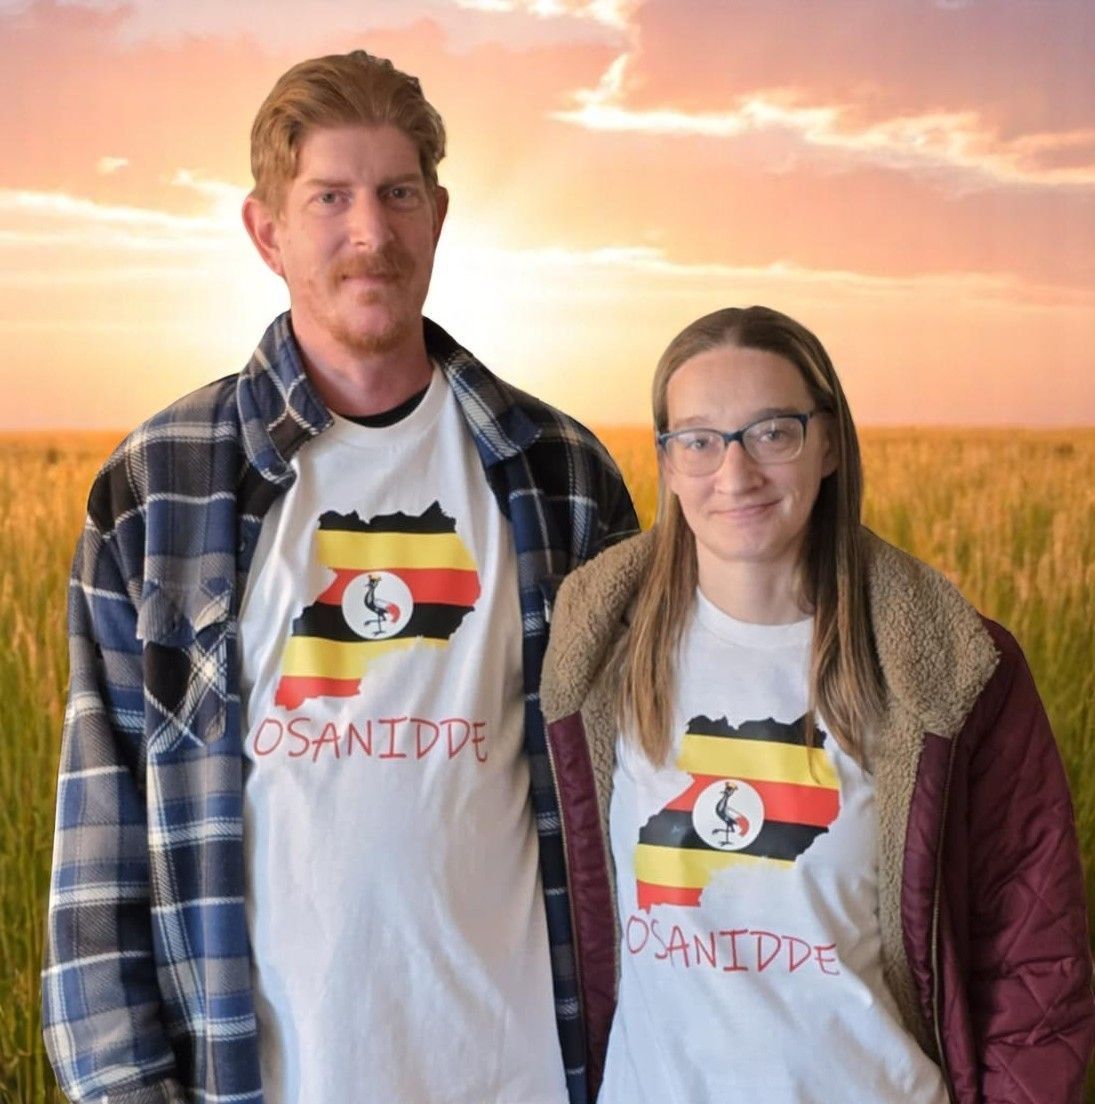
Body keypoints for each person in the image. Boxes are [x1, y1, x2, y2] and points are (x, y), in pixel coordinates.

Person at [42, 50, 637, 1104]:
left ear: (440, 214)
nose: (372, 232)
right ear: (266, 231)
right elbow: (99, 858)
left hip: (525, 1077)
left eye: (398, 193)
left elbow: (635, 819)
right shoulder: (157, 488)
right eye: (331, 197)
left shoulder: (564, 478)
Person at [540, 305, 1094, 1103]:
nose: (734, 474)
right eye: (698, 439)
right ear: (665, 462)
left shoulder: (948, 671)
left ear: (828, 442)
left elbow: (1035, 960)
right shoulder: (596, 658)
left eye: (771, 432)